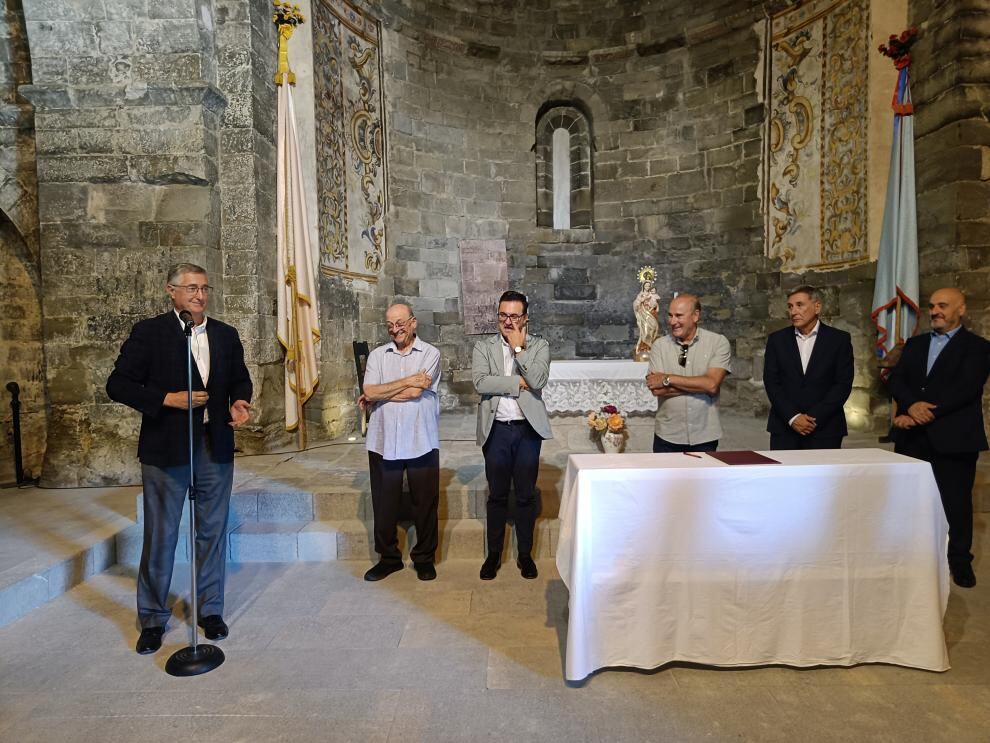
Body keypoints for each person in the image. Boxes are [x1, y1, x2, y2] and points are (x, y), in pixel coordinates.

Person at [106, 263, 252, 655]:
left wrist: (240, 401)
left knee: (212, 532)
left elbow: (240, 378)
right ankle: (153, 618)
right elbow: (117, 384)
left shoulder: (225, 334)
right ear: (171, 291)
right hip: (166, 449)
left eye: (204, 288)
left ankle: (210, 610)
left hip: (213, 445)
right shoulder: (149, 333)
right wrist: (166, 399)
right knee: (162, 535)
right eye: (190, 288)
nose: (199, 295)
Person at [888, 287, 990, 588]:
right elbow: (897, 379)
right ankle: (912, 555)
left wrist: (921, 410)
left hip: (955, 438)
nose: (935, 311)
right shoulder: (916, 344)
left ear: (962, 309)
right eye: (932, 306)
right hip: (912, 439)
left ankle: (959, 561)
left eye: (943, 305)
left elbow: (965, 388)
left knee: (956, 504)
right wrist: (910, 405)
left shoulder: (979, 348)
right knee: (910, 502)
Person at [472, 290, 552, 580]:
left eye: (514, 316)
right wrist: (519, 382)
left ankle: (525, 555)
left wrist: (519, 350)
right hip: (497, 431)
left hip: (527, 431)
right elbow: (481, 382)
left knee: (526, 495)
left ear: (525, 317)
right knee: (497, 495)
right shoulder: (484, 348)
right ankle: (493, 555)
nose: (507, 321)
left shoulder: (539, 346)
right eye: (503, 315)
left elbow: (539, 380)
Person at [360, 302, 441, 582]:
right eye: (390, 325)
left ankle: (424, 558)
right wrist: (406, 380)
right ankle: (388, 558)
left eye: (401, 324)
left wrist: (381, 393)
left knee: (425, 501)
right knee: (384, 503)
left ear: (413, 322)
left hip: (420, 436)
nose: (396, 330)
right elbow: (368, 390)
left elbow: (415, 393)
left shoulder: (431, 353)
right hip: (384, 439)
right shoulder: (377, 356)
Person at [763, 285, 854, 449]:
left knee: (823, 475)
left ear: (817, 307)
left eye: (800, 305)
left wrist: (813, 418)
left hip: (825, 428)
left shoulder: (839, 340)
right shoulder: (777, 340)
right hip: (785, 427)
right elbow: (771, 382)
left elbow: (842, 384)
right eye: (790, 306)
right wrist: (793, 417)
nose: (793, 312)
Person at [645, 293, 731, 452]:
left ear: (695, 316)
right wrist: (700, 386)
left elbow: (711, 385)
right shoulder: (660, 346)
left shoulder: (718, 342)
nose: (672, 321)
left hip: (704, 434)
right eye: (670, 316)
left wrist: (667, 378)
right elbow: (657, 389)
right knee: (666, 478)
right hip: (667, 435)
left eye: (679, 316)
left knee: (704, 478)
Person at [633, 278, 660, 359]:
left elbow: (655, 305)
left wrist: (652, 303)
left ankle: (650, 348)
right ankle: (643, 348)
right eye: (646, 285)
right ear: (643, 286)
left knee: (652, 330)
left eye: (649, 286)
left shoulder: (653, 294)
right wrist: (642, 300)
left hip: (651, 314)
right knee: (645, 332)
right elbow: (635, 304)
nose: (647, 287)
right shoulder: (640, 294)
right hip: (643, 315)